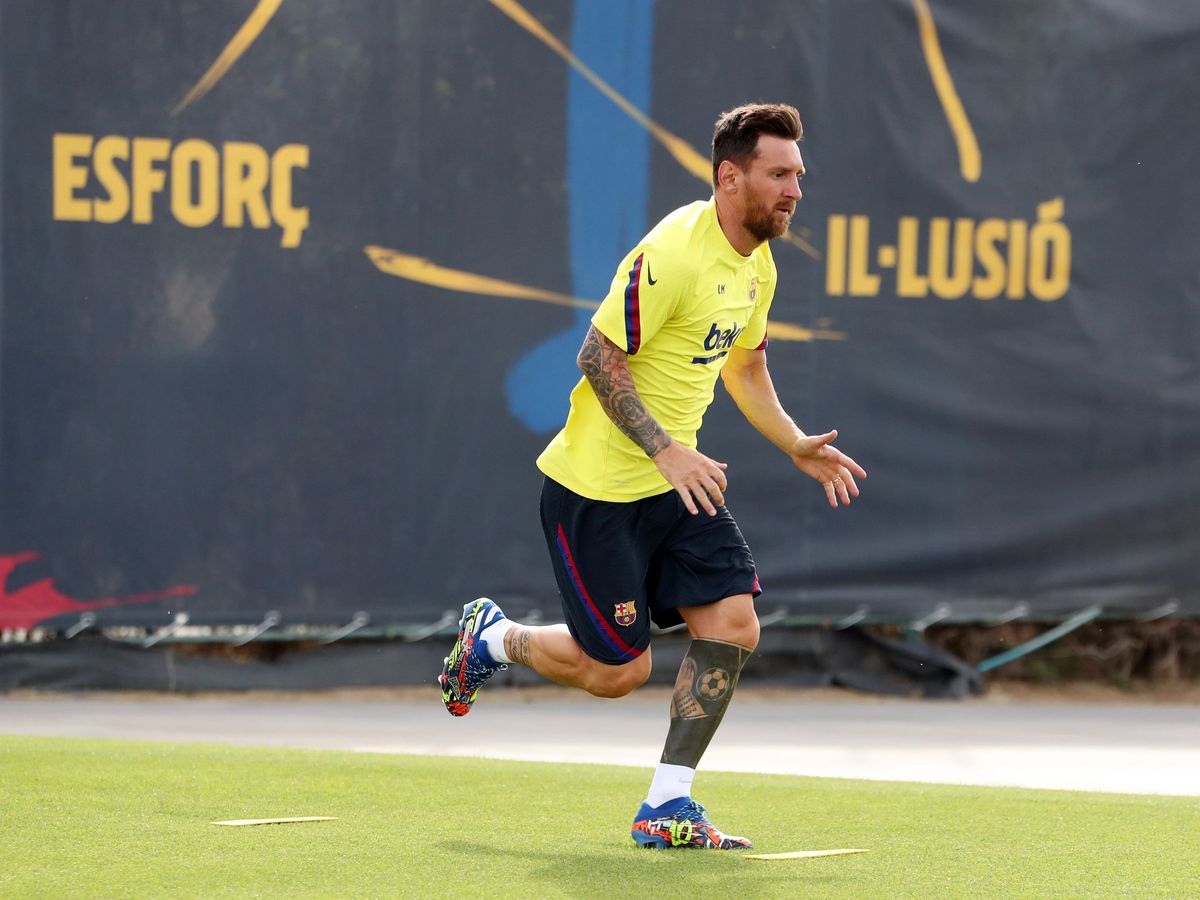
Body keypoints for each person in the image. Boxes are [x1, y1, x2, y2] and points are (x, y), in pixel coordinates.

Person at [439, 103, 865, 850]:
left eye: (799, 173)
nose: (796, 189)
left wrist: (794, 442)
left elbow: (747, 365)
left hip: (678, 487)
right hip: (596, 492)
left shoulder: (758, 262)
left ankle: (667, 804)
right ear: (730, 178)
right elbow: (597, 358)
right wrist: (667, 450)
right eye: (780, 174)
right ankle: (494, 638)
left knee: (735, 623)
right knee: (617, 674)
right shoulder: (674, 251)